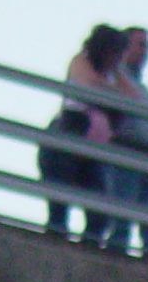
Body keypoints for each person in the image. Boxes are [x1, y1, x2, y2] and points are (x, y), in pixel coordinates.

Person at [39, 23, 124, 240]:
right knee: (59, 206)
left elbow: (135, 98)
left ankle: (87, 248)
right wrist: (115, 92)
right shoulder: (81, 61)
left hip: (94, 144)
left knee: (100, 215)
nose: (117, 58)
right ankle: (56, 246)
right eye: (114, 52)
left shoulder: (114, 73)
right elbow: (88, 82)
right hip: (69, 131)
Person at [97, 26, 148, 255]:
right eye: (141, 45)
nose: (145, 52)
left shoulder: (144, 88)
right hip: (124, 150)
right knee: (121, 218)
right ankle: (115, 261)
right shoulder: (114, 75)